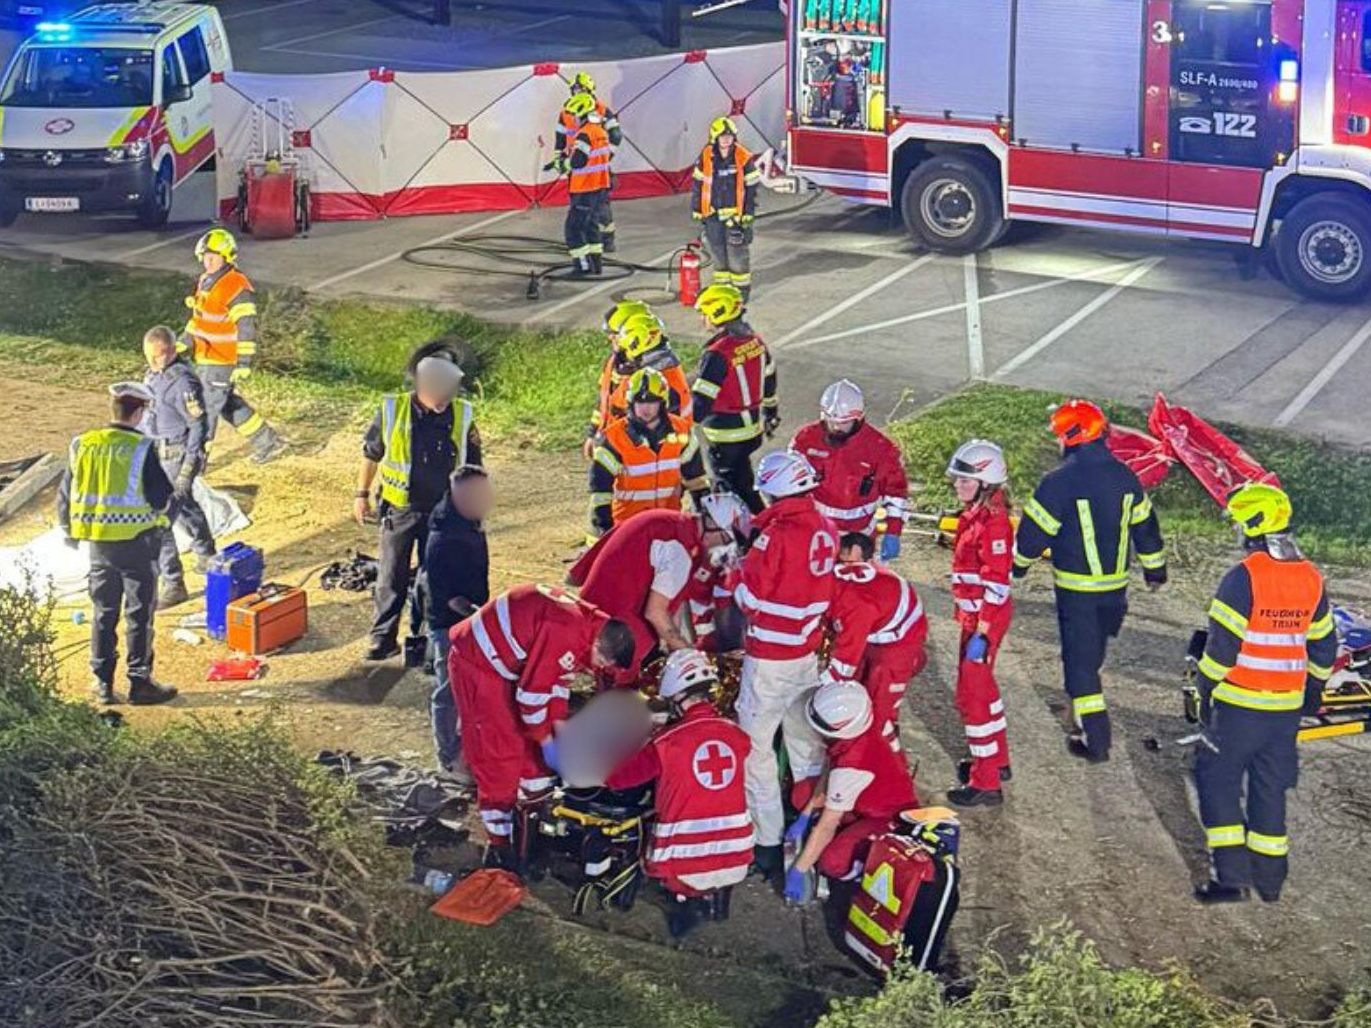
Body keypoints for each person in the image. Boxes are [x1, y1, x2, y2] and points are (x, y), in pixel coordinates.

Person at [1191, 483, 1336, 904]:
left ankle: (1230, 879)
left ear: (1253, 525)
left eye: (1239, 523)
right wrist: (1313, 691)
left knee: (1218, 782)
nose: (1237, 530)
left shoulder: (1243, 577)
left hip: (1240, 705)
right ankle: (1270, 883)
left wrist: (1205, 688)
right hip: (1285, 710)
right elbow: (1324, 645)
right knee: (1269, 790)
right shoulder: (1310, 577)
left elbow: (1221, 648)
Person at [1013, 400, 1167, 763]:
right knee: (1091, 658)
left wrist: (1018, 567)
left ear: (1071, 437)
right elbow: (1146, 528)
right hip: (1115, 593)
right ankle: (1078, 713)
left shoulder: (1058, 482)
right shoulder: (1125, 477)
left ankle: (1095, 739)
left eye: (1059, 436)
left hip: (1077, 592)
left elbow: (1033, 535)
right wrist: (1155, 570)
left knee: (1079, 668)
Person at [446, 585, 634, 865]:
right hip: (478, 664)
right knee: (498, 751)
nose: (597, 669)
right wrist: (545, 739)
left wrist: (554, 734)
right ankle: (500, 844)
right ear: (598, 647)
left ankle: (531, 819)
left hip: (506, 664)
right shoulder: (568, 632)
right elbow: (532, 698)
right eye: (602, 663)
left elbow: (555, 686)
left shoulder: (588, 626)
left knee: (532, 754)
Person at [734, 450, 836, 876]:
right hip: (806, 655)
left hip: (769, 661)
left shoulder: (774, 537)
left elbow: (750, 599)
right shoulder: (827, 527)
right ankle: (813, 831)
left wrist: (734, 567)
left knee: (754, 749)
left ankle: (767, 840)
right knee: (805, 745)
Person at [605, 648, 753, 938]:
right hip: (738, 857)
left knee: (638, 825)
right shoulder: (737, 735)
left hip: (684, 867)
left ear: (677, 696)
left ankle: (683, 907)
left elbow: (616, 780)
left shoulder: (666, 743)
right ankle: (716, 902)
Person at [356, 345, 481, 662]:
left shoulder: (463, 414)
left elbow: (473, 466)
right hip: (400, 510)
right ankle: (382, 638)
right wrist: (361, 495)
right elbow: (372, 455)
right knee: (390, 576)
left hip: (443, 514)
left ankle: (426, 643)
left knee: (434, 579)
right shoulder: (392, 409)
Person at [57, 382, 177, 706]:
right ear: (139, 413)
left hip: (98, 545)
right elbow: (160, 497)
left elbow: (66, 494)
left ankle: (102, 683)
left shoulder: (83, 444)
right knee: (139, 614)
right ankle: (140, 682)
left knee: (103, 613)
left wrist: (69, 531)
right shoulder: (141, 447)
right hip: (136, 543)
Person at [569, 494, 753, 671]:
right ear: (712, 525)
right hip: (611, 636)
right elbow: (655, 613)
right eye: (725, 539)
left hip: (593, 615)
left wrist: (680, 647)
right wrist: (690, 656)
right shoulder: (679, 549)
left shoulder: (665, 520)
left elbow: (674, 603)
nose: (721, 547)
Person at [784, 680, 918, 900]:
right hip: (869, 795)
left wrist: (799, 870)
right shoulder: (870, 721)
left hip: (889, 817)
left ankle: (860, 879)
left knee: (833, 861)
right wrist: (807, 813)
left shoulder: (852, 764)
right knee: (802, 796)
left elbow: (827, 825)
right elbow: (831, 768)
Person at [944, 440, 1015, 806]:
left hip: (983, 622)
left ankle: (985, 781)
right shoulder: (977, 514)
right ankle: (997, 761)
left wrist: (983, 634)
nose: (958, 485)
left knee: (971, 697)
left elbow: (998, 584)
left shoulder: (993, 523)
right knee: (983, 691)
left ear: (986, 482)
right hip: (975, 618)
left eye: (965, 480)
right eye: (958, 479)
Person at [180, 228, 286, 463]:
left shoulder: (236, 286)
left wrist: (244, 362)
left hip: (221, 361)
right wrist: (183, 342)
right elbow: (200, 319)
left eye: (213, 257)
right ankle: (267, 441)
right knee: (227, 404)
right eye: (205, 257)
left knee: (206, 412)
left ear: (227, 257)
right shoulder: (206, 281)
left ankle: (195, 466)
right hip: (206, 357)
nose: (208, 262)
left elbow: (247, 327)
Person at [827, 532, 927, 750]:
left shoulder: (854, 602)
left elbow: (845, 660)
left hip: (899, 643)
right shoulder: (841, 585)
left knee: (877, 711)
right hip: (879, 628)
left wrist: (823, 683)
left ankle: (886, 759)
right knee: (856, 691)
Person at [791, 379, 909, 563]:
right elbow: (789, 487)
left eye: (844, 423)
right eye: (831, 422)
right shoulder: (805, 441)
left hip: (859, 538)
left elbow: (895, 493)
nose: (836, 428)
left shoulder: (880, 449)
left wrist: (893, 532)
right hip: (816, 532)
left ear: (859, 419)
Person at [424, 465, 493, 780]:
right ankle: (449, 760)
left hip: (468, 620)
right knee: (448, 692)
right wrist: (483, 617)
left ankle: (467, 751)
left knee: (468, 690)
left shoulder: (467, 522)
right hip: (449, 626)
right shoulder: (444, 539)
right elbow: (450, 598)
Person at [141, 324, 215, 608]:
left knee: (160, 520)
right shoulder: (153, 375)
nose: (153, 362)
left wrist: (189, 465)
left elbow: (198, 425)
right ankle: (206, 550)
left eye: (158, 356)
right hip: (157, 455)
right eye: (149, 357)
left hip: (177, 455)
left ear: (171, 351)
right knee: (183, 509)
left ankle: (173, 583)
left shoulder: (183, 382)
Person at [588, 368, 709, 537]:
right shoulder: (613, 439)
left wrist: (705, 519)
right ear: (631, 404)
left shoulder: (682, 432)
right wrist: (606, 531)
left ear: (663, 404)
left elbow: (697, 482)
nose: (646, 409)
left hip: (668, 524)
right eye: (640, 402)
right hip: (626, 529)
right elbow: (600, 492)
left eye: (652, 402)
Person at [691, 284, 778, 514]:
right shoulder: (755, 341)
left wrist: (678, 427)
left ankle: (747, 529)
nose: (702, 319)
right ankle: (762, 521)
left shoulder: (717, 353)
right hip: (752, 430)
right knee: (744, 485)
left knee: (728, 491)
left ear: (718, 312)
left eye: (704, 313)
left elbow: (701, 401)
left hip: (725, 436)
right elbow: (769, 377)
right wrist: (771, 411)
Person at [584, 306, 692, 460]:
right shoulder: (619, 362)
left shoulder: (657, 376)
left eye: (616, 333)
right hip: (617, 444)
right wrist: (594, 432)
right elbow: (604, 400)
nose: (611, 338)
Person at [691, 115, 760, 300]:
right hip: (712, 215)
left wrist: (748, 212)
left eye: (729, 136)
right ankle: (722, 289)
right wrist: (697, 207)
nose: (726, 139)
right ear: (715, 138)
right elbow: (698, 183)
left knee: (737, 256)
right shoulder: (706, 156)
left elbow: (752, 188)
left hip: (735, 217)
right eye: (723, 136)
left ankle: (741, 292)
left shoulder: (743, 157)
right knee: (718, 253)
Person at [556, 71, 622, 252]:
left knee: (600, 207)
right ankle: (588, 242)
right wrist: (559, 159)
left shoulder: (601, 110)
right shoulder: (567, 111)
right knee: (581, 207)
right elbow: (560, 137)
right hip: (577, 167)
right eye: (575, 89)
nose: (577, 92)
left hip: (594, 169)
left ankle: (606, 240)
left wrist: (605, 158)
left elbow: (616, 136)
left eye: (580, 89)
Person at [558, 93, 613, 277]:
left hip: (584, 190)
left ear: (581, 114)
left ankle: (582, 267)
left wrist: (564, 164)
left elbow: (578, 161)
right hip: (600, 188)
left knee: (573, 229)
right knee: (591, 227)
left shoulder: (584, 135)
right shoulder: (600, 132)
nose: (573, 119)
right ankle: (596, 265)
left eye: (574, 114)